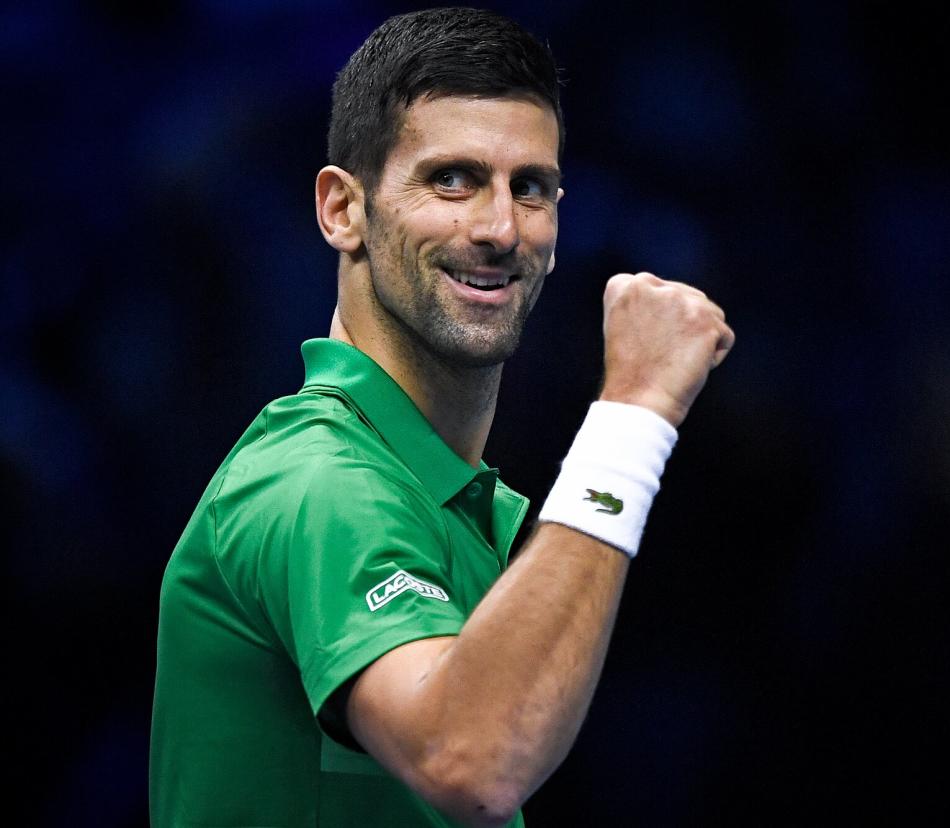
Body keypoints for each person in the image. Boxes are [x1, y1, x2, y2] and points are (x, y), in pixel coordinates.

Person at [149, 7, 734, 827]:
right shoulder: (321, 484)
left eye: (529, 187)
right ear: (340, 211)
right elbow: (477, 764)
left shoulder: (450, 503)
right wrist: (633, 414)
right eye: (451, 179)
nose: (498, 228)